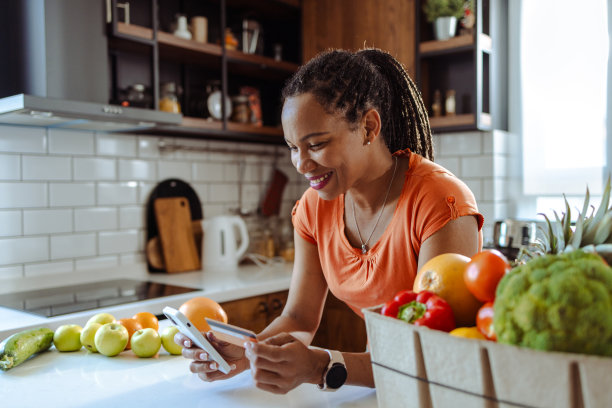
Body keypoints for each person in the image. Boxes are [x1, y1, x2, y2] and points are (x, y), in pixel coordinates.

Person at [177, 48, 483, 393]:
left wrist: (323, 365)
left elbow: (433, 354)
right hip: (385, 384)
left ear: (368, 127)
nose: (301, 164)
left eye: (317, 144)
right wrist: (248, 352)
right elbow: (298, 318)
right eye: (293, 147)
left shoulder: (440, 203)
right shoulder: (313, 208)